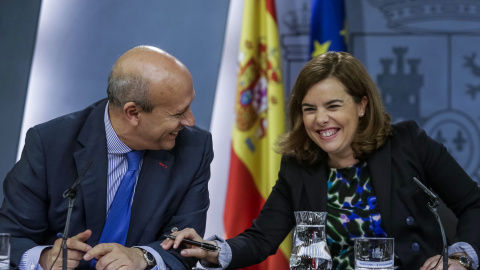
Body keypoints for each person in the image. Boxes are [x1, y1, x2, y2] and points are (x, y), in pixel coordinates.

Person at [162, 51, 480, 270]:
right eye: (309, 108)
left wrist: (461, 259)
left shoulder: (408, 144)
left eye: (333, 105)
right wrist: (210, 250)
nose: (321, 119)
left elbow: (473, 204)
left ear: (362, 105)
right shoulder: (299, 165)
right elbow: (261, 239)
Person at [0, 45, 213, 270]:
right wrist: (42, 259)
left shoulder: (194, 148)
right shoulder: (50, 143)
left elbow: (188, 245)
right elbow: (7, 239)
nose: (190, 121)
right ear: (133, 113)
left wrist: (143, 257)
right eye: (179, 113)